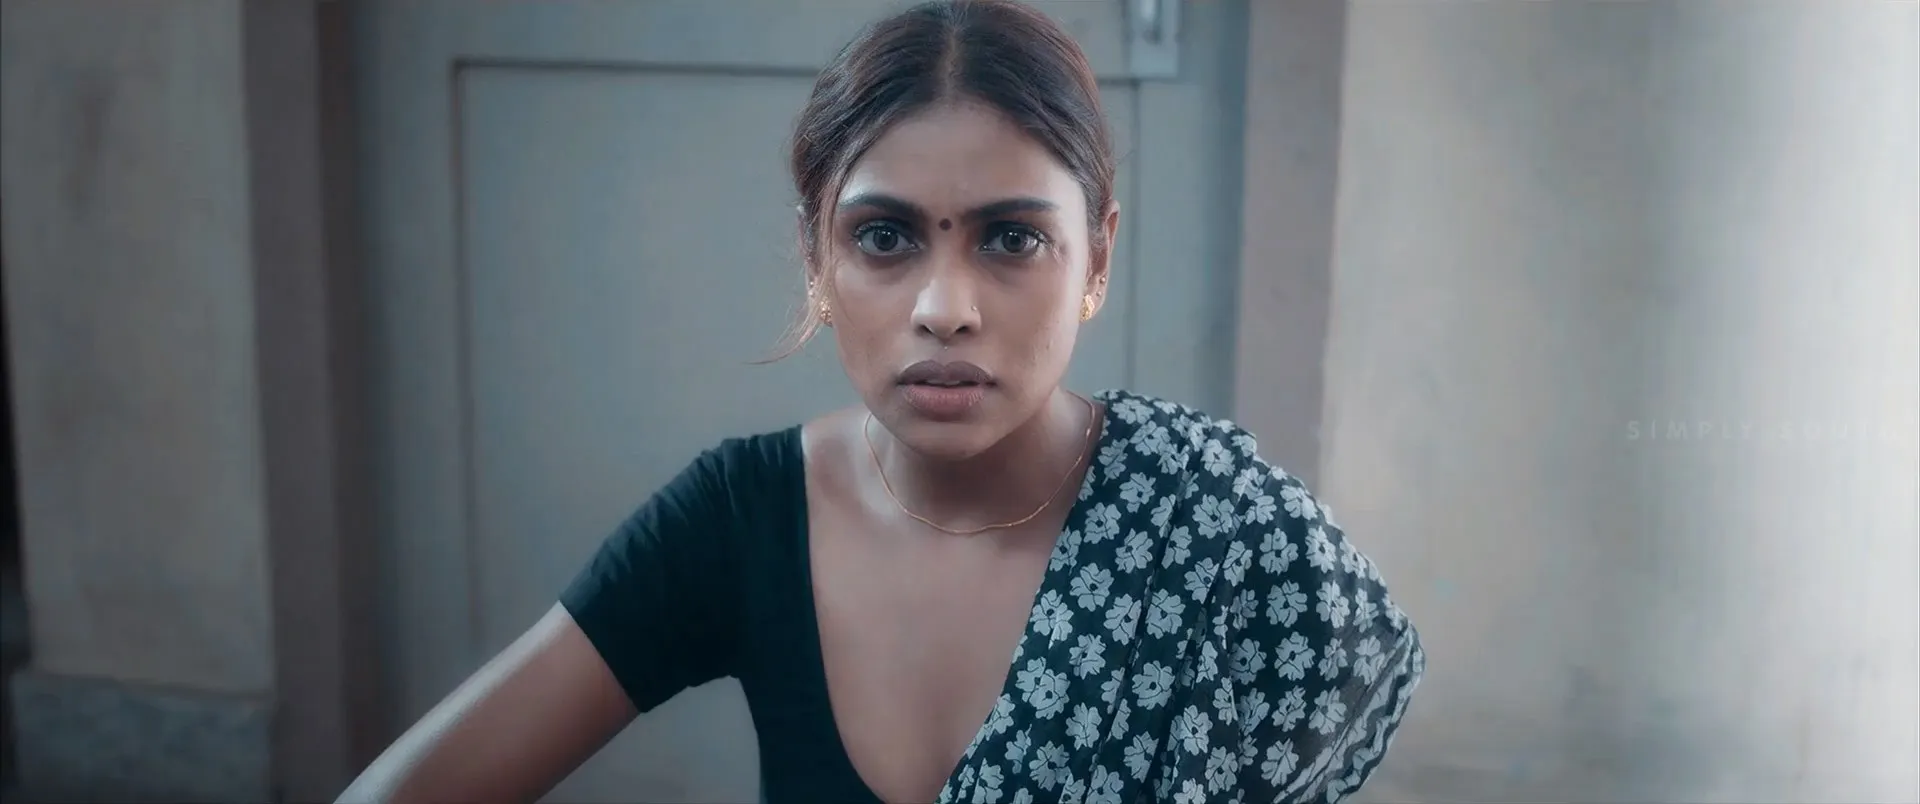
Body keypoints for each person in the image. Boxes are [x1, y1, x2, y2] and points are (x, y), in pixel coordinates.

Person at [336, 1, 1423, 802]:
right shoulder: (742, 517)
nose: (945, 308)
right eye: (885, 236)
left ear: (1096, 258)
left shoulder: (1220, 529)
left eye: (1013, 239)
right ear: (819, 258)